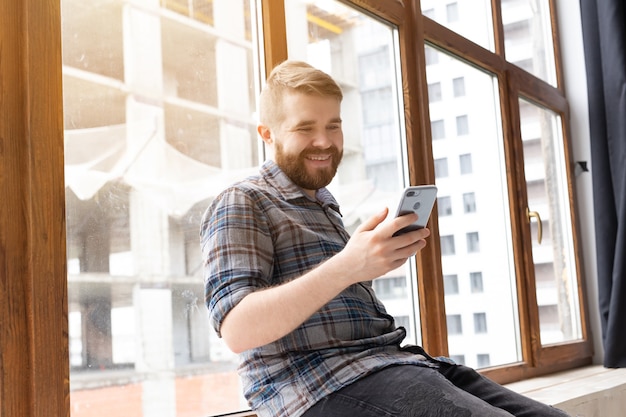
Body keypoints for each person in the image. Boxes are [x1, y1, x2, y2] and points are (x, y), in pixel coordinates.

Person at [200, 60, 570, 417]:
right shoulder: (242, 200)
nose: (324, 141)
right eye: (304, 128)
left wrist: (368, 262)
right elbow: (238, 330)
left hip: (394, 362)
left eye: (333, 126)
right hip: (316, 385)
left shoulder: (324, 205)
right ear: (267, 133)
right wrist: (347, 266)